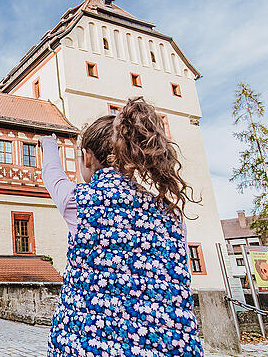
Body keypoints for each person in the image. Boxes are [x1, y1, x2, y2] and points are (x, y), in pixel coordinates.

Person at [40, 97, 203, 356]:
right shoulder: (171, 217)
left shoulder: (79, 204)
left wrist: (47, 143)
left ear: (87, 158)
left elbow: (52, 173)